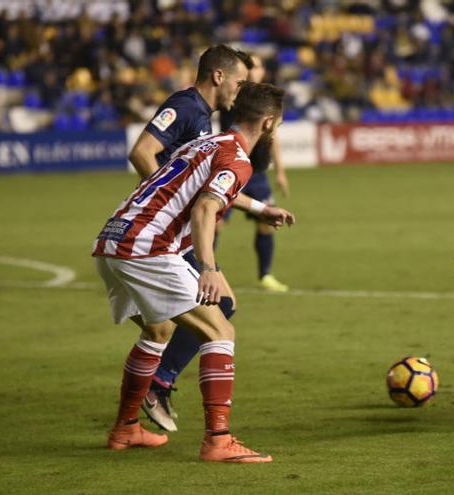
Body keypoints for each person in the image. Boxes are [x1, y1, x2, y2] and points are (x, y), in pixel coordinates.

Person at [94, 81, 294, 463]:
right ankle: (218, 440)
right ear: (268, 123)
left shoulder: (205, 143)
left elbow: (205, 187)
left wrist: (261, 209)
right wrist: (209, 267)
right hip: (148, 247)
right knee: (220, 329)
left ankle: (125, 428)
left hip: (113, 239)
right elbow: (205, 208)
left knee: (159, 330)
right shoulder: (238, 159)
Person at [143, 54, 291, 432]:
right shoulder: (185, 106)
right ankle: (160, 386)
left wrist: (260, 208)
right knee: (217, 307)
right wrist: (164, 199)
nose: (241, 92)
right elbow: (142, 152)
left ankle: (137, 410)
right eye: (240, 83)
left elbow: (202, 186)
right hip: (164, 232)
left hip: (175, 228)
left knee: (175, 324)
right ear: (219, 76)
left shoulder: (207, 121)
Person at [220, 54, 292, 293]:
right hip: (229, 166)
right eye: (251, 66)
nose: (255, 70)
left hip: (256, 174)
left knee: (266, 224)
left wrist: (280, 171)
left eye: (258, 66)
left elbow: (271, 136)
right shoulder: (234, 96)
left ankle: (265, 275)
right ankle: (201, 268)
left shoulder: (265, 101)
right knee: (216, 222)